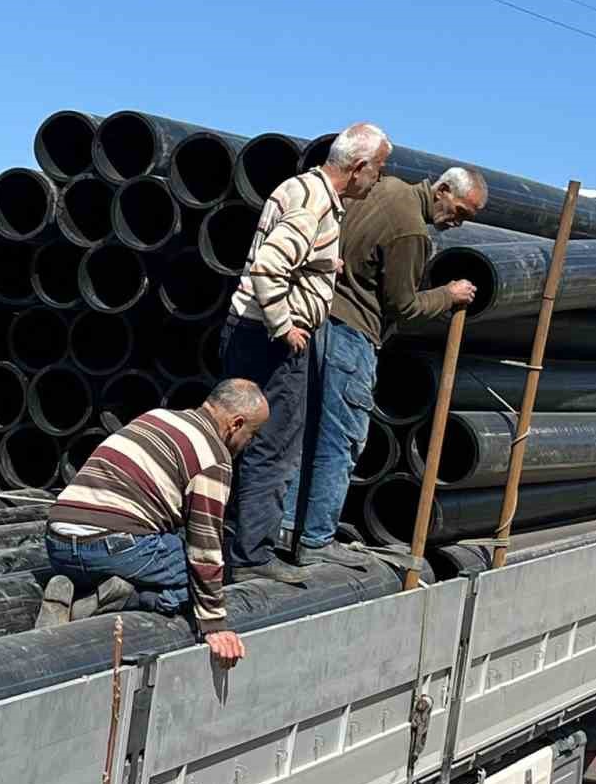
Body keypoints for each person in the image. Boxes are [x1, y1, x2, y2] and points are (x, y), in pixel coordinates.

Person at [285, 167, 490, 564]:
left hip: (316, 322)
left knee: (302, 431)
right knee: (340, 442)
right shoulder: (412, 231)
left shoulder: (385, 188)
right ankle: (315, 540)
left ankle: (284, 530)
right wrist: (448, 295)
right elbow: (405, 306)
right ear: (443, 189)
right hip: (352, 338)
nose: (459, 222)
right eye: (461, 211)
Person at [220, 123, 392, 580]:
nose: (378, 180)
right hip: (270, 339)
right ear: (357, 168)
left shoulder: (301, 189)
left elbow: (286, 250)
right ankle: (253, 560)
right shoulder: (317, 202)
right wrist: (286, 326)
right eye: (377, 171)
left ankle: (226, 539)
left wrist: (323, 264)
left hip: (245, 330)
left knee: (237, 440)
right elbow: (269, 265)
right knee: (273, 449)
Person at [36, 379, 270, 666]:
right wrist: (213, 625)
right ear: (236, 424)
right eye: (252, 434)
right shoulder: (214, 459)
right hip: (115, 548)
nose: (249, 443)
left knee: (178, 556)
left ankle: (88, 590)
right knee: (208, 582)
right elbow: (204, 546)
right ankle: (125, 598)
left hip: (57, 544)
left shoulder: (156, 417)